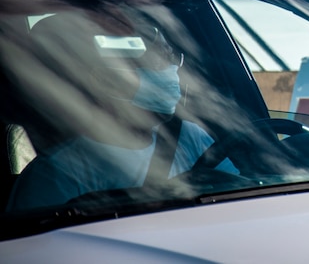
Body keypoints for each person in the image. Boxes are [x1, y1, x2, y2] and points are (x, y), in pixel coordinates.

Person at [6, 11, 237, 211]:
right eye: (155, 61)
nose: (173, 69)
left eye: (171, 57)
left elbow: (238, 191)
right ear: (106, 79)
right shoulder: (57, 174)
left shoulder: (190, 136)